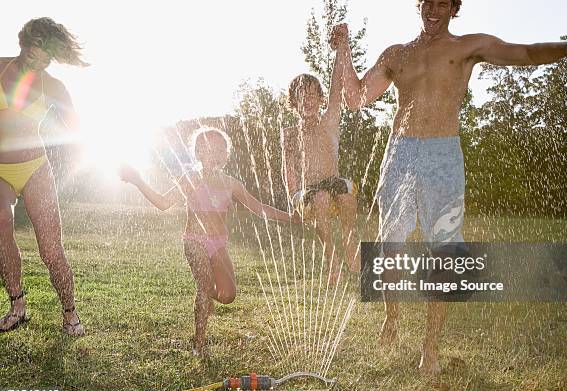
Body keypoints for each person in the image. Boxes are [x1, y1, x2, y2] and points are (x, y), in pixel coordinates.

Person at [330, 0, 567, 377]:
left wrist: (566, 48)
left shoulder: (467, 47)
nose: (434, 9)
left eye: (444, 2)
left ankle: (430, 348)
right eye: (429, 2)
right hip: (400, 154)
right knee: (389, 244)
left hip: (443, 156)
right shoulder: (396, 54)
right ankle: (391, 318)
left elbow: (521, 53)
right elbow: (356, 98)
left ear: (454, 9)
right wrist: (343, 48)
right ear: (419, 6)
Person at [120, 127, 298, 357]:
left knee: (227, 295)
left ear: (226, 154)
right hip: (194, 240)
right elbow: (164, 203)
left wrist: (291, 218)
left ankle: (207, 295)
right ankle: (199, 344)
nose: (214, 153)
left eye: (220, 149)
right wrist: (137, 180)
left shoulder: (231, 183)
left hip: (218, 243)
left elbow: (258, 208)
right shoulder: (191, 179)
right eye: (208, 148)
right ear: (198, 153)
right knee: (204, 286)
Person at [0, 18, 89, 335]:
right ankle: (17, 306)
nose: (35, 65)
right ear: (21, 44)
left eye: (45, 61)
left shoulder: (54, 87)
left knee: (51, 250)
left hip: (35, 167)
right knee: (1, 227)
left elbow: (77, 132)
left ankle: (70, 314)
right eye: (31, 56)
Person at [282, 51, 360, 282]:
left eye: (312, 96)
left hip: (331, 182)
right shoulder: (289, 134)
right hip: (309, 192)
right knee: (322, 199)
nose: (307, 101)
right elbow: (288, 170)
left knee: (346, 195)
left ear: (321, 99)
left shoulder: (329, 121)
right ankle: (331, 259)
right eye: (301, 97)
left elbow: (337, 86)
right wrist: (293, 198)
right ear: (294, 103)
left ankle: (348, 240)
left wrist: (341, 51)